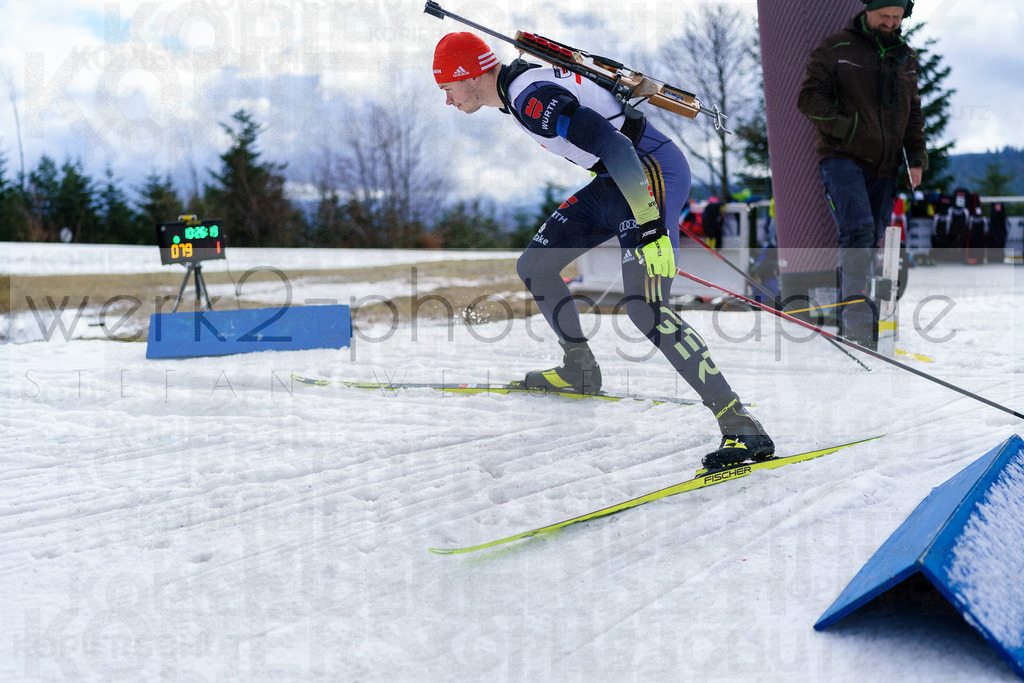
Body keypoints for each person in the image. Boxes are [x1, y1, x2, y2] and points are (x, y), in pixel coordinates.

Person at [432, 31, 773, 469]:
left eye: (447, 88)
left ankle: (741, 424)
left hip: (649, 173)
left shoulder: (530, 96)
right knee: (536, 265)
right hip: (616, 179)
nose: (447, 100)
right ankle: (580, 369)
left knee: (646, 308)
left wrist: (650, 225)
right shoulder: (517, 88)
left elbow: (616, 144)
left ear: (468, 75)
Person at [797, 0, 927, 350]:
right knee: (859, 230)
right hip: (842, 156)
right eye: (884, 15)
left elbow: (913, 112)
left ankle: (870, 313)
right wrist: (848, 129)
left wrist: (916, 157)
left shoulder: (907, 57)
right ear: (868, 11)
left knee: (874, 239)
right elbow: (809, 99)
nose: (891, 22)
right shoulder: (836, 46)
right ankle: (855, 322)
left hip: (886, 165)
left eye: (897, 17)